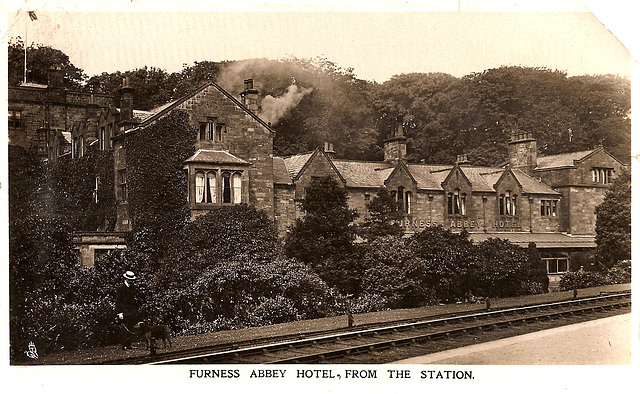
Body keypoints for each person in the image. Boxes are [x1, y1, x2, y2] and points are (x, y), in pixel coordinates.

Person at [116, 270, 139, 350]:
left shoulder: (132, 287)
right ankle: (124, 345)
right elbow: (118, 301)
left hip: (132, 311)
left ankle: (129, 345)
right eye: (130, 280)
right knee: (124, 329)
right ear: (126, 279)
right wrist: (119, 313)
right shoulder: (120, 288)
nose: (131, 281)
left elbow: (133, 300)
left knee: (131, 328)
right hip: (124, 312)